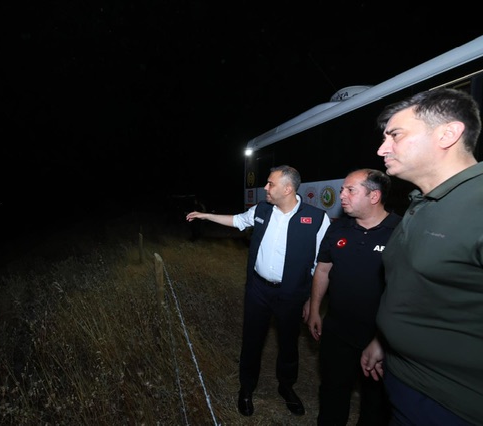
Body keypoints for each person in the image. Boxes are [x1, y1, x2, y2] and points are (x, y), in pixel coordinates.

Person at [360, 87, 483, 426]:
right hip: (401, 381)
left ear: (447, 134)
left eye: (395, 135)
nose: (382, 149)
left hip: (452, 406)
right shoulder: (421, 203)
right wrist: (383, 341)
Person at [186, 164, 331, 417]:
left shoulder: (318, 219)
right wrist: (206, 216)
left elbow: (321, 265)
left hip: (291, 295)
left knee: (288, 344)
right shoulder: (262, 209)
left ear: (287, 189)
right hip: (258, 291)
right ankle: (246, 388)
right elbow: (237, 221)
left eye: (270, 184)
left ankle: (286, 387)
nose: (265, 187)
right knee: (252, 341)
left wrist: (312, 301)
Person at [308, 168, 401, 425]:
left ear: (374, 196)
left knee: (375, 404)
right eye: (341, 190)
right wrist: (315, 308)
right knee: (332, 394)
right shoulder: (338, 229)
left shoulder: (401, 232)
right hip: (337, 332)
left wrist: (382, 339)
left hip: (380, 339)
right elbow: (323, 269)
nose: (342, 196)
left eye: (350, 190)